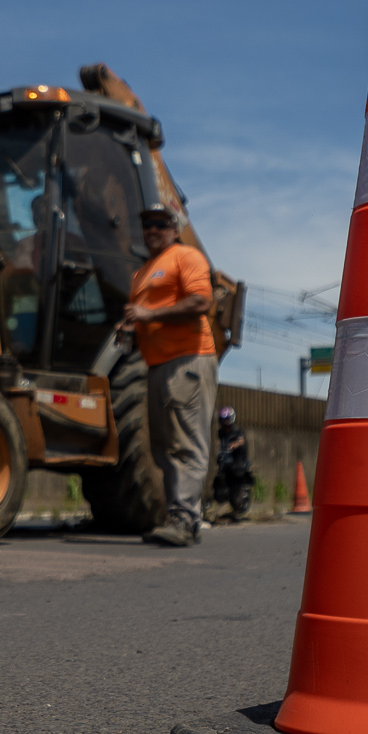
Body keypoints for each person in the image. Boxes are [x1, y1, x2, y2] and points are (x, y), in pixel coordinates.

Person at [122, 203, 216, 546]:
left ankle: (185, 519)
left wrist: (147, 314)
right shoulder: (142, 272)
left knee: (185, 443)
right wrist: (131, 327)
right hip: (158, 363)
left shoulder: (185, 257)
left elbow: (200, 303)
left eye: (161, 224)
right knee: (163, 447)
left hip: (188, 360)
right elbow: (146, 316)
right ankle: (180, 515)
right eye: (147, 224)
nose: (153, 230)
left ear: (174, 229)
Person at [212, 405, 253, 522]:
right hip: (223, 462)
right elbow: (215, 441)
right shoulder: (220, 433)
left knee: (236, 477)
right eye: (223, 420)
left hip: (237, 464)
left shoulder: (237, 432)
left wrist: (234, 445)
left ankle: (239, 497)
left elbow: (241, 440)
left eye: (227, 420)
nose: (225, 423)